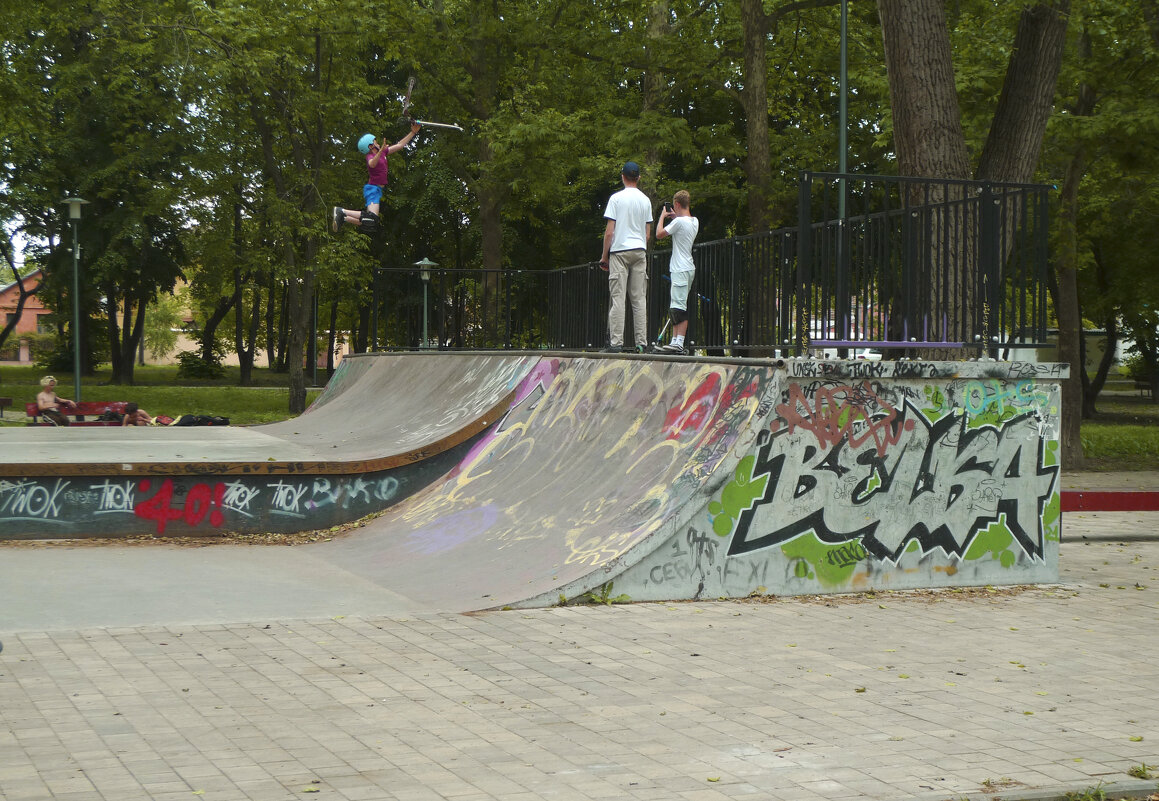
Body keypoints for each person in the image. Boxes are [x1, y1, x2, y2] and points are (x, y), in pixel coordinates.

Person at [599, 161, 652, 353]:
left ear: (623, 177)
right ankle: (641, 343)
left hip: (620, 252)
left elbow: (609, 233)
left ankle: (616, 343)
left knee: (618, 298)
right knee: (639, 299)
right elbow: (647, 234)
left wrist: (605, 256)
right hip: (639, 251)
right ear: (638, 178)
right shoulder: (646, 200)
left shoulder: (616, 199)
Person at [332, 122, 421, 235]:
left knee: (370, 222)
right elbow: (372, 164)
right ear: (370, 146)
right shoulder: (370, 156)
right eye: (375, 142)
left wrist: (413, 132)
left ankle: (343, 217)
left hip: (377, 190)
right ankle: (341, 211)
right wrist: (380, 151)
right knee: (372, 218)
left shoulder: (383, 152)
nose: (378, 143)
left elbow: (400, 145)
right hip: (372, 189)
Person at [654, 190, 700, 354]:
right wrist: (674, 217)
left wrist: (662, 217)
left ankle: (679, 341)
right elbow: (682, 224)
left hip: (680, 268)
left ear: (677, 204)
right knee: (678, 304)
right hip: (688, 268)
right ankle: (675, 341)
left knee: (678, 306)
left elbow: (659, 234)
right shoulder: (694, 221)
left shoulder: (679, 223)